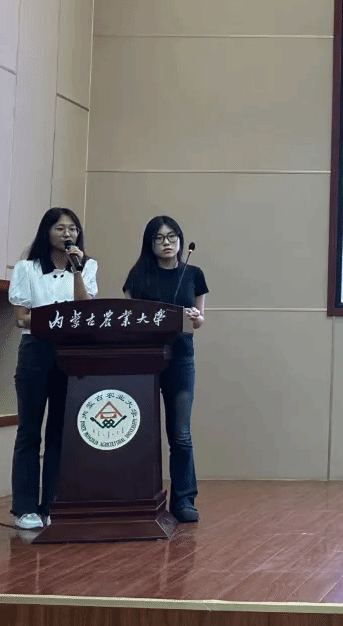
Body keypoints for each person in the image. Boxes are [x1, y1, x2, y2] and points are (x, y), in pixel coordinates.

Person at [8, 208, 98, 530]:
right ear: (46, 232)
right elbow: (21, 317)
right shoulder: (27, 268)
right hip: (36, 350)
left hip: (70, 351)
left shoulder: (87, 266)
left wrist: (77, 271)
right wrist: (57, 318)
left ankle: (52, 505)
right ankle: (25, 508)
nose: (67, 234)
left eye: (72, 228)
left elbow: (85, 311)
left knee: (60, 430)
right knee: (29, 430)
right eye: (60, 228)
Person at [122, 216, 207, 523]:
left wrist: (196, 317)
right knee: (141, 432)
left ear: (181, 241)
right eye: (158, 238)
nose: (166, 243)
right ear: (150, 244)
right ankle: (140, 495)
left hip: (181, 360)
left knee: (180, 435)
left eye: (172, 237)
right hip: (145, 360)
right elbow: (129, 319)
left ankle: (184, 500)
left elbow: (199, 321)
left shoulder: (193, 274)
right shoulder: (138, 275)